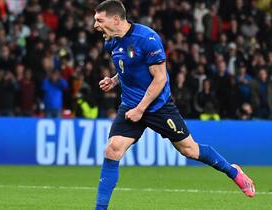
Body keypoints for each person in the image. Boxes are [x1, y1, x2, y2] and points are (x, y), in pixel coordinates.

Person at [93, 1, 255, 210]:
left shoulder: (147, 39)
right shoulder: (111, 41)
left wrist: (141, 109)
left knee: (189, 150)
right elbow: (129, 67)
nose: (95, 25)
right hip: (131, 105)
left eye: (99, 20)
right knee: (112, 150)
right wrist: (114, 80)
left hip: (158, 107)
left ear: (116, 19)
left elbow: (159, 79)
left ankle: (233, 171)